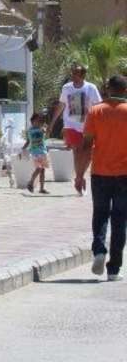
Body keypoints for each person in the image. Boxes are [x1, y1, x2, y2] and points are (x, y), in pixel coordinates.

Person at [75, 72, 127, 280]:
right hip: (124, 175)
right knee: (120, 220)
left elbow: (86, 145)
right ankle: (114, 270)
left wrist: (79, 175)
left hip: (100, 173)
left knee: (100, 214)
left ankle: (99, 250)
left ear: (108, 89)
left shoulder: (95, 111)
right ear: (125, 90)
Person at [51, 62, 101, 160]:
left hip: (87, 126)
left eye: (75, 73)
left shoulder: (91, 88)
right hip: (71, 125)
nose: (72, 75)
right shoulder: (66, 87)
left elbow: (98, 106)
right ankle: (78, 170)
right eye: (72, 72)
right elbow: (61, 105)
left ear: (83, 75)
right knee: (76, 150)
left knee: (86, 152)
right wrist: (52, 123)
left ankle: (80, 169)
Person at [22, 110, 49, 195]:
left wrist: (45, 129)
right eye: (37, 120)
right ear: (32, 121)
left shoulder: (42, 129)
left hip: (43, 151)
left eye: (40, 121)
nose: (38, 122)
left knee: (42, 170)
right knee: (39, 168)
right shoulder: (30, 131)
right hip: (35, 152)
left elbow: (46, 134)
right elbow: (28, 141)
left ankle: (42, 188)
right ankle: (31, 182)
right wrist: (23, 148)